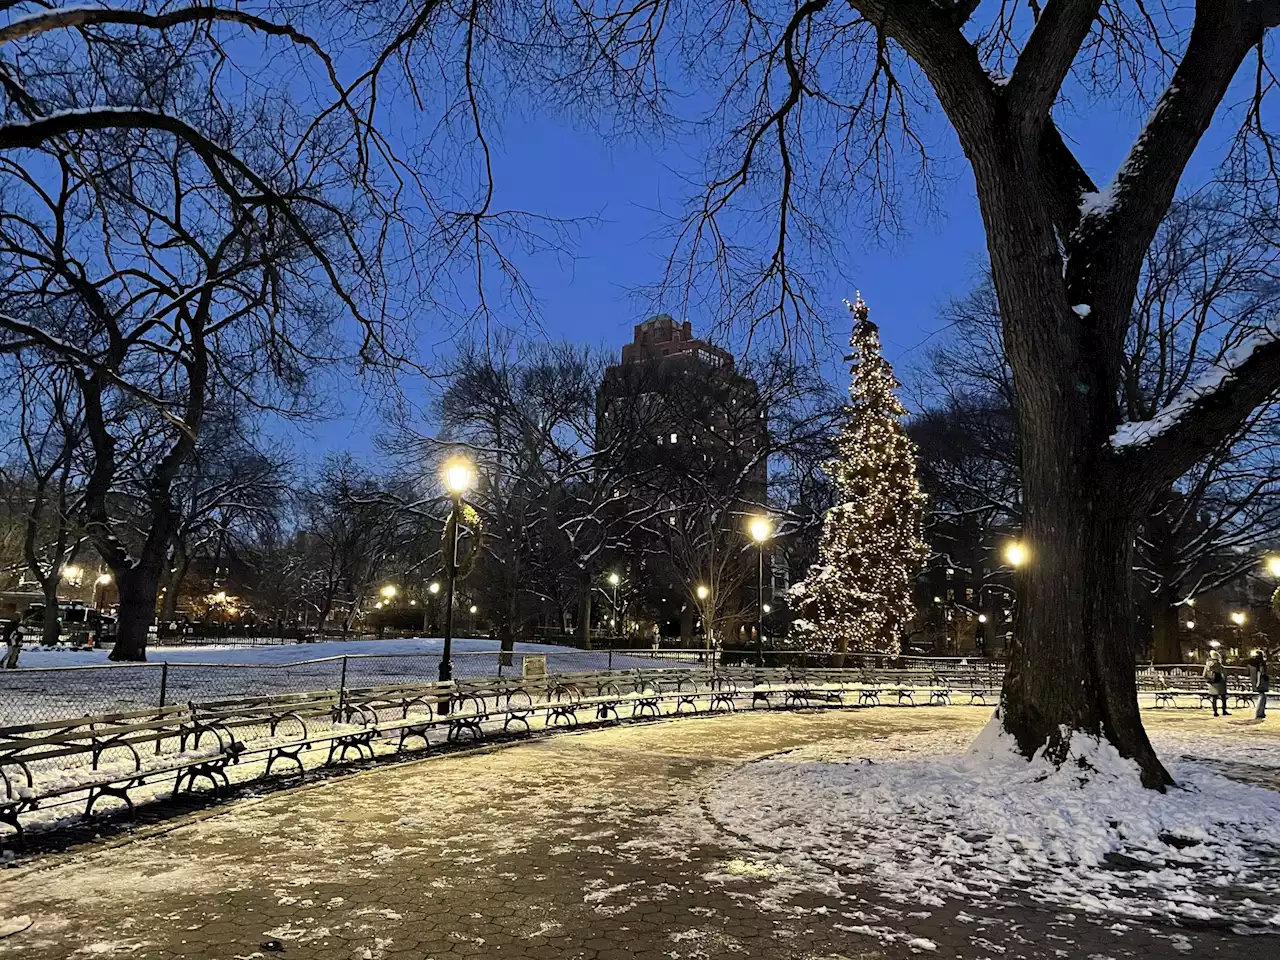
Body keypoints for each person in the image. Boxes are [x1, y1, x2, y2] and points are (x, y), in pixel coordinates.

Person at [1203, 649, 1229, 716]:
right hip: (1220, 683)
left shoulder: (1208, 666)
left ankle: (1215, 712)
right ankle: (1224, 710)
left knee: (1214, 698)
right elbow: (1225, 674)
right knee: (1223, 697)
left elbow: (1204, 675)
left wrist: (1209, 680)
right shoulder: (1220, 666)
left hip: (1212, 684)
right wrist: (1224, 680)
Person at [1247, 650, 1270, 720]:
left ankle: (1260, 712)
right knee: (1262, 696)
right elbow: (1261, 673)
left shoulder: (1254, 663)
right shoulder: (1261, 663)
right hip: (1261, 682)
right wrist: (1264, 678)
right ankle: (1260, 712)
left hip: (1257, 681)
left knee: (1262, 696)